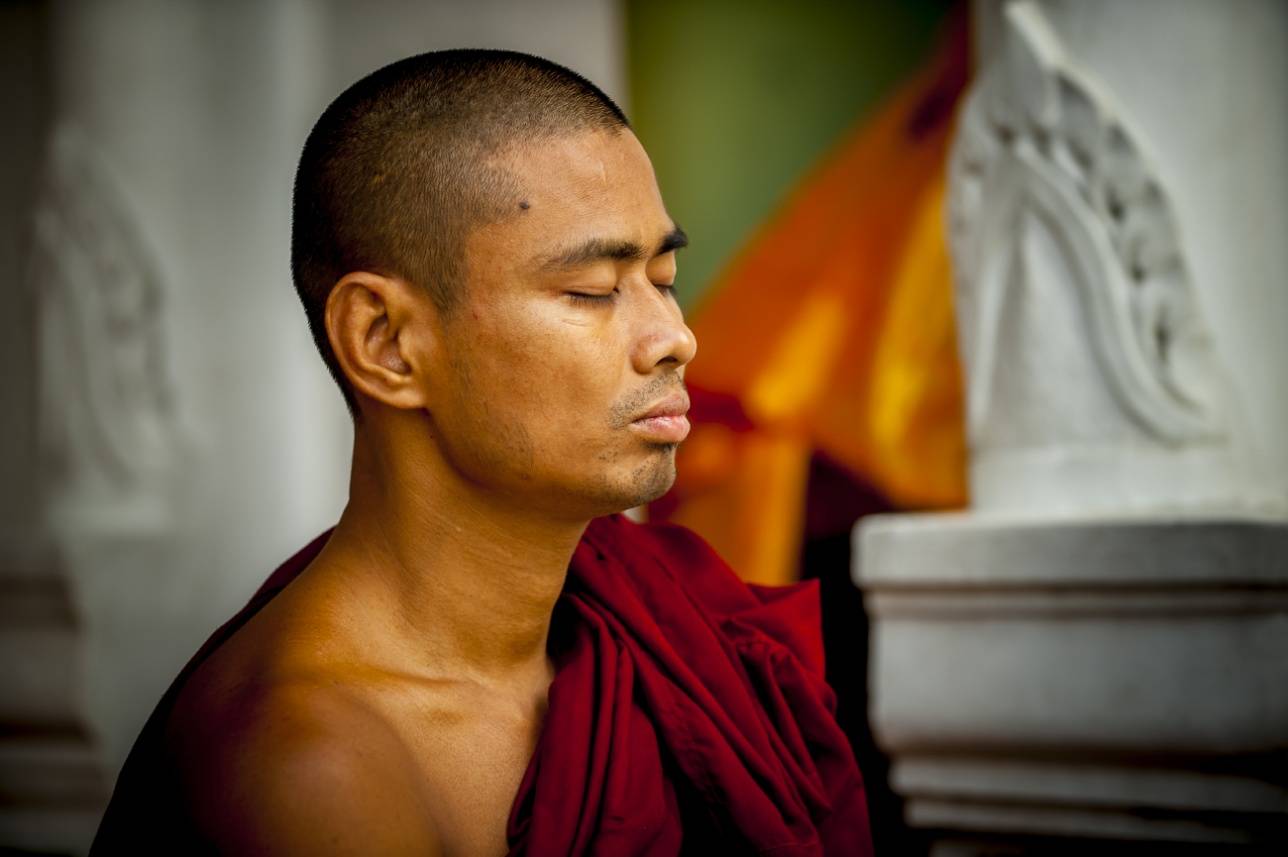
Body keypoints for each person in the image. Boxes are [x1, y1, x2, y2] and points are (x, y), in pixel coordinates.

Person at [91, 49, 873, 855]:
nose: (676, 338)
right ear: (386, 342)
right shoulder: (311, 769)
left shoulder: (662, 645)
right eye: (593, 291)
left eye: (664, 275)